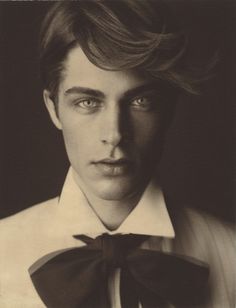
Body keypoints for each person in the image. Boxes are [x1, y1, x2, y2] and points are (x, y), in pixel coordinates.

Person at [0, 1, 235, 307]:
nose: (114, 134)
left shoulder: (231, 257)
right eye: (87, 102)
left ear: (168, 108)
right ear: (53, 107)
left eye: (140, 101)